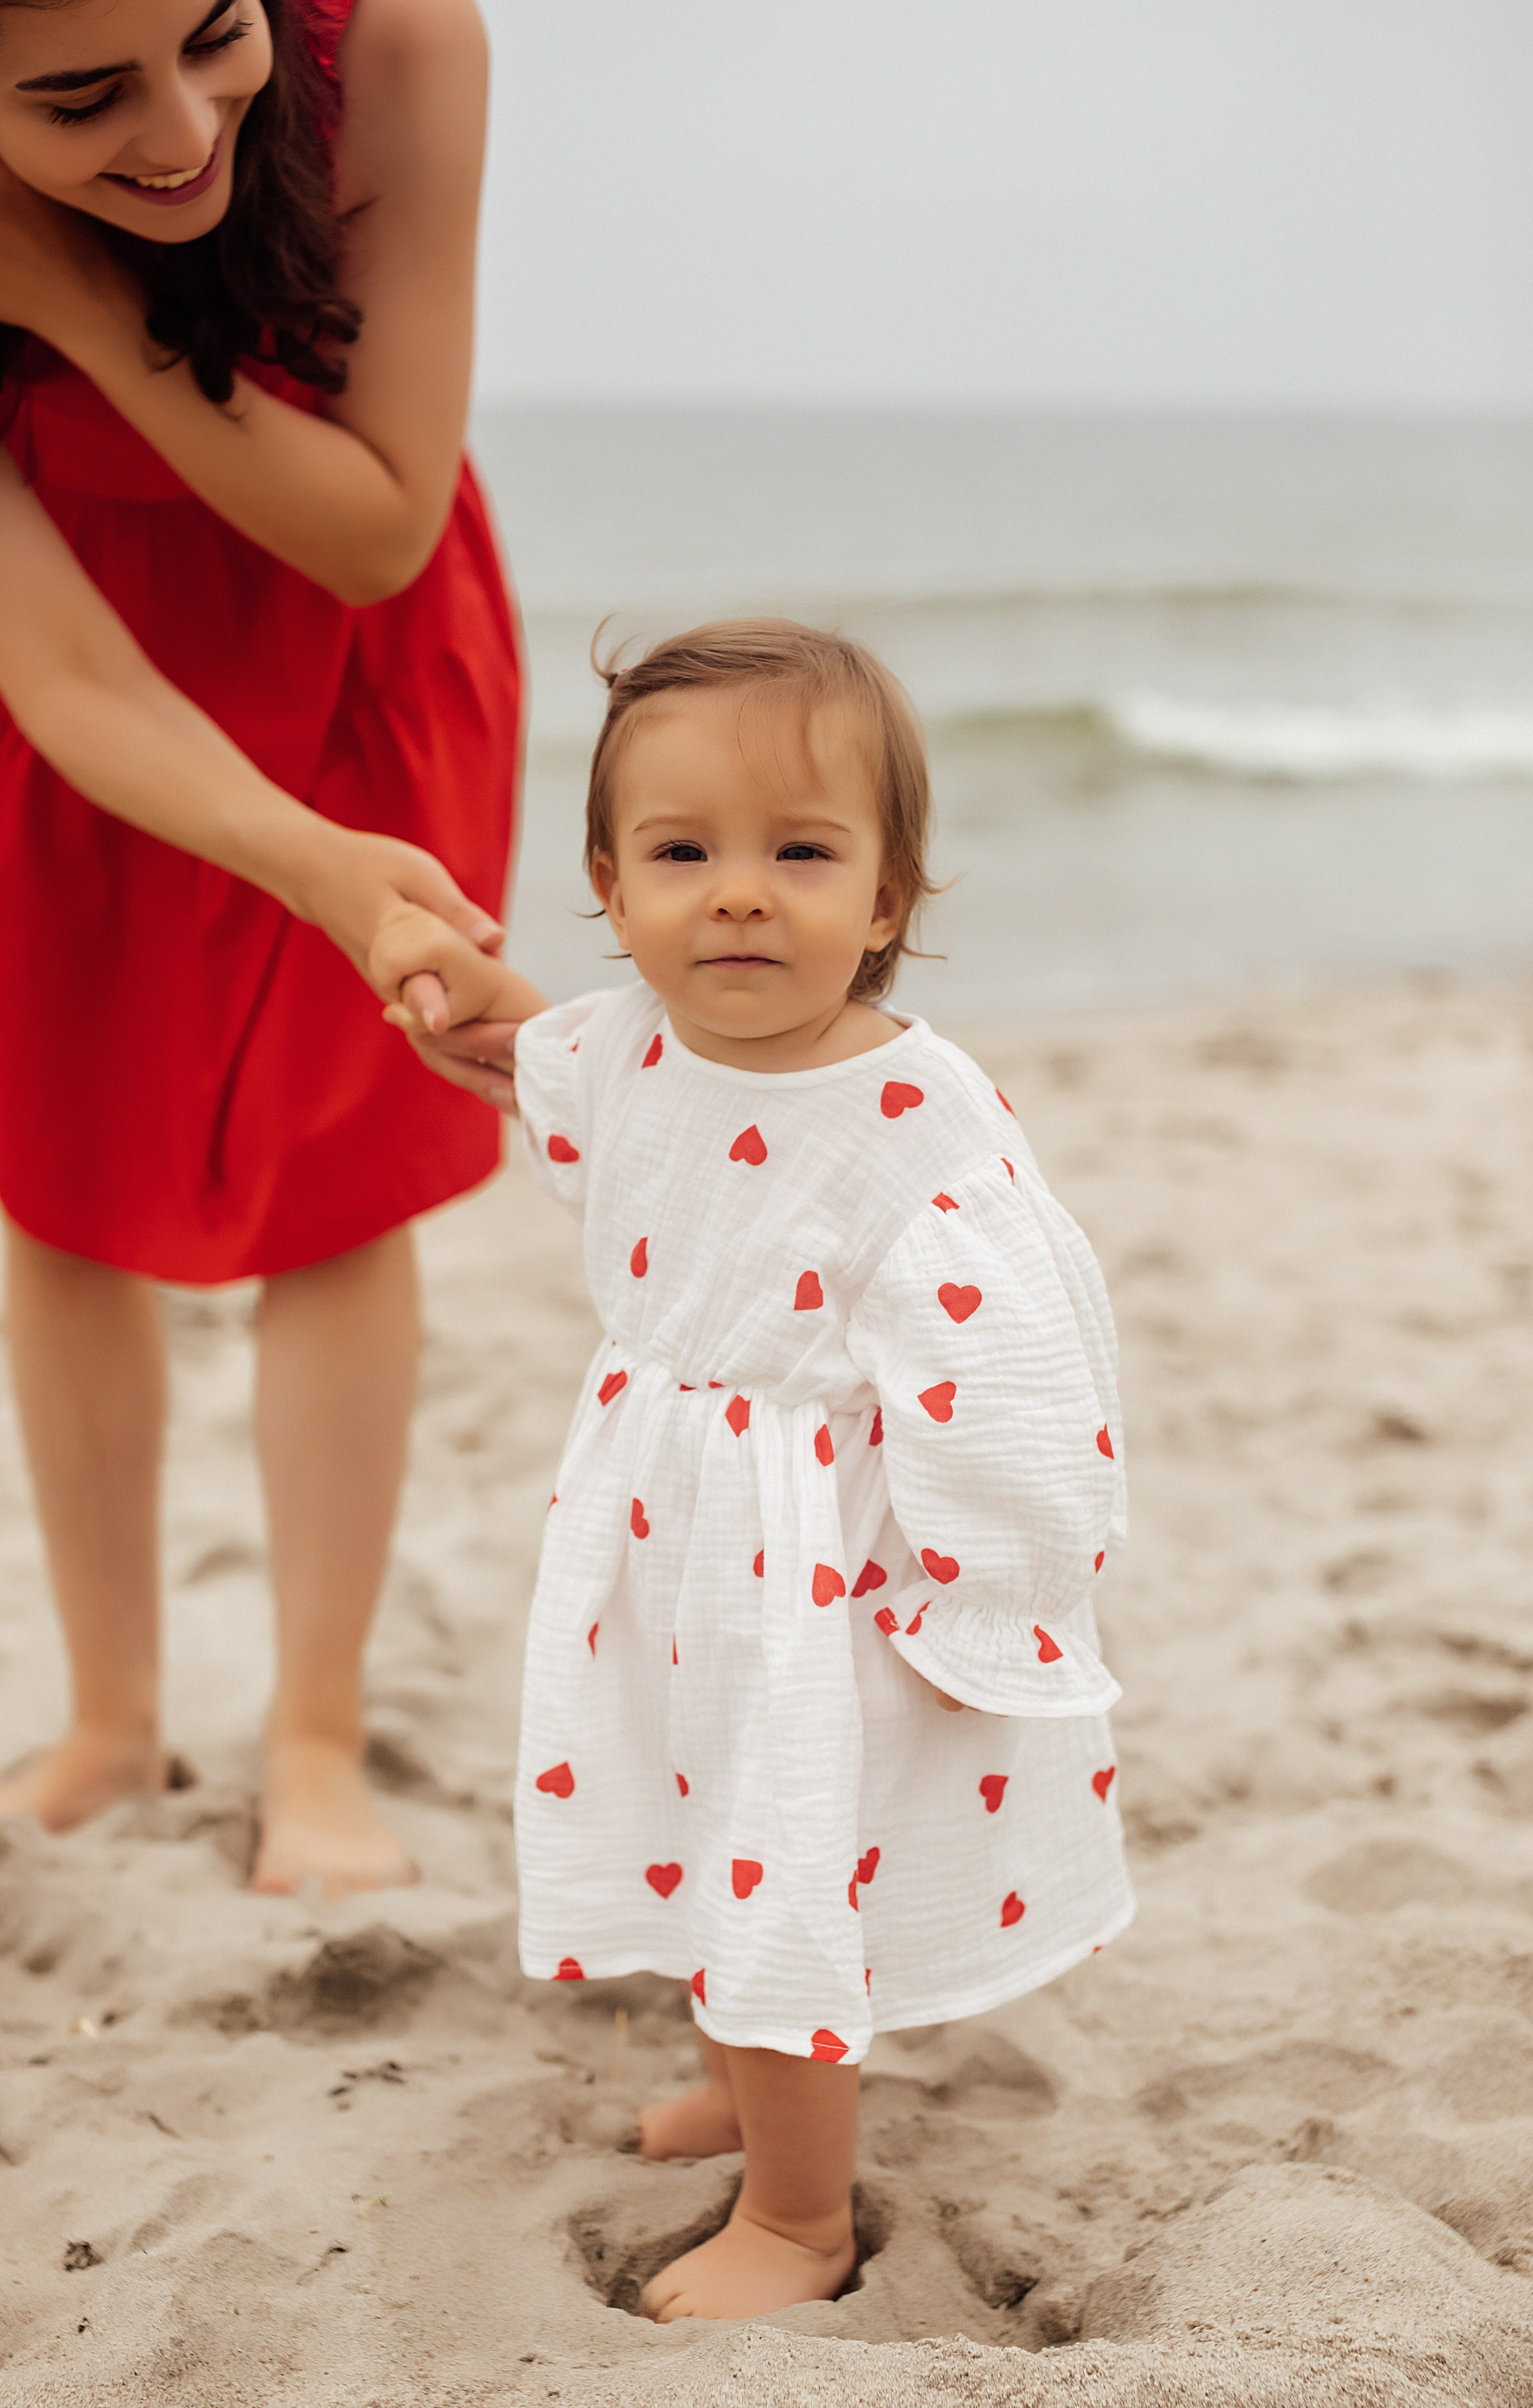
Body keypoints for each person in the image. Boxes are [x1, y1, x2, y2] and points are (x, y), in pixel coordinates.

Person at [399, 620, 1133, 2320]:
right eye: (683, 855)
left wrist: (986, 1596)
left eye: (800, 853)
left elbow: (1018, 1364)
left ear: (889, 899)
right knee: (684, 1795)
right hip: (662, 1532)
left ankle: (799, 2217)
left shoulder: (914, 1120)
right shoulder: (634, 1046)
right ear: (610, 884)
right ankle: (736, 2087)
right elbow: (565, 1072)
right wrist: (492, 1025)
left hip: (830, 1571)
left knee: (785, 1848)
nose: (737, 895)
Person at [0, 0, 521, 1896]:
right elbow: (63, 670)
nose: (186, 129)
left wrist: (85, 303)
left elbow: (375, 528)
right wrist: (309, 872)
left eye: (213, 36)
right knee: (61, 1174)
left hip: (357, 651)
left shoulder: (405, 47)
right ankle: (114, 1719)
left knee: (336, 1188)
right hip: (57, 687)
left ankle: (317, 1741)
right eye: (85, 98)